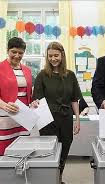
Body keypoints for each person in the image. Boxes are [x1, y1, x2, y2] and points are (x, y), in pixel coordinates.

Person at [32, 41, 81, 184]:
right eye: (50, 56)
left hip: (66, 118)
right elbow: (37, 98)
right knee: (49, 150)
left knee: (64, 149)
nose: (53, 59)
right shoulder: (42, 75)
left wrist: (77, 119)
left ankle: (58, 178)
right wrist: (34, 103)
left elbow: (74, 100)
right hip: (47, 120)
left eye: (56, 55)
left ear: (62, 55)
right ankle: (49, 179)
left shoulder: (70, 75)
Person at [0, 37, 33, 163]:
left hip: (22, 119)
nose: (17, 55)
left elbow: (28, 94)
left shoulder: (27, 70)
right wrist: (5, 106)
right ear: (8, 50)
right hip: (4, 117)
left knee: (21, 156)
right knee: (2, 158)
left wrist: (33, 101)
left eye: (20, 53)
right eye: (14, 51)